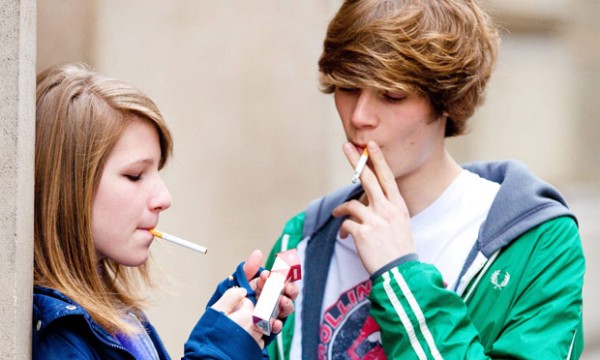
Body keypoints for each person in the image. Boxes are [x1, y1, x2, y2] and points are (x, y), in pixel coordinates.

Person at [265, 0, 585, 359]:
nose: (360, 116)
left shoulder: (536, 244)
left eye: (392, 95)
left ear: (448, 98)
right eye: (348, 87)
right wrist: (230, 340)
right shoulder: (307, 237)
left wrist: (400, 274)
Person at [32, 62, 297, 359]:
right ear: (70, 187)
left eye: (157, 171)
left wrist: (236, 335)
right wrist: (218, 350)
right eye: (135, 175)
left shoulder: (113, 314)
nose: (164, 197)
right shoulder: (61, 334)